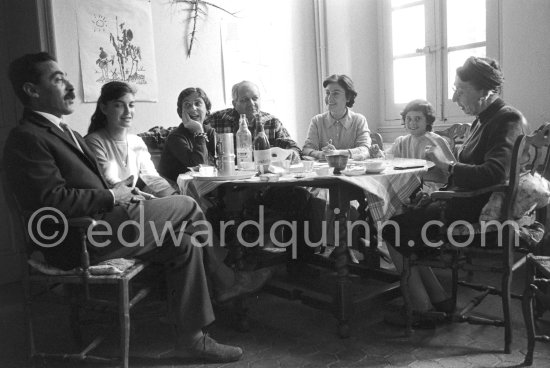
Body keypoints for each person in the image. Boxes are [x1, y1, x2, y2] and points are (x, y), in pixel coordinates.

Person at [4, 52, 272, 363]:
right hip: (84, 237)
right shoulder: (27, 138)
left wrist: (125, 196)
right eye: (57, 79)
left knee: (184, 242)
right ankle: (226, 282)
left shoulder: (65, 133)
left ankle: (192, 339)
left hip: (108, 223)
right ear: (32, 90)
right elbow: (51, 202)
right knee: (186, 204)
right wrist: (112, 196)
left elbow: (113, 185)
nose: (69, 87)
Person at [382, 56, 528, 327]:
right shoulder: (483, 120)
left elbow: (495, 174)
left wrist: (447, 167)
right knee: (403, 223)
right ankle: (438, 299)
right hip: (462, 202)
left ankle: (422, 307)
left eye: (460, 89)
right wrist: (438, 192)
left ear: (484, 89)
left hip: (473, 211)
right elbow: (468, 173)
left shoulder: (506, 118)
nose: (454, 96)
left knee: (392, 228)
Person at [85, 81, 177, 197]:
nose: (128, 111)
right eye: (119, 105)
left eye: (131, 105)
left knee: (186, 203)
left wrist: (174, 196)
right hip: (114, 204)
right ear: (104, 108)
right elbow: (111, 180)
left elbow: (152, 178)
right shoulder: (94, 141)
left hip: (134, 199)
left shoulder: (136, 141)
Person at [204, 80, 301, 163]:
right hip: (229, 180)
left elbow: (293, 147)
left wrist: (292, 153)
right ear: (234, 103)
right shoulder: (217, 120)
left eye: (255, 98)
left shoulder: (271, 122)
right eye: (245, 100)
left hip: (264, 179)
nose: (251, 103)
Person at [388, 99, 455, 191]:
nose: (412, 123)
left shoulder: (437, 141)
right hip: (408, 185)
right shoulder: (401, 141)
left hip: (433, 186)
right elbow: (387, 159)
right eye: (409, 119)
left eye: (418, 118)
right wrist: (376, 152)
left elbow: (453, 170)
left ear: (427, 121)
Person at [302, 74, 372, 160]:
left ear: (348, 97)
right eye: (327, 93)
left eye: (335, 93)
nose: (329, 98)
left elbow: (365, 149)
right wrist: (321, 154)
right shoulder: (317, 121)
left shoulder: (359, 120)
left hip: (353, 171)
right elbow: (306, 150)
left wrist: (338, 153)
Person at [158, 87, 217, 182]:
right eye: (187, 105)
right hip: (175, 189)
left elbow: (220, 163)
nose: (193, 108)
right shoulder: (175, 137)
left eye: (197, 103)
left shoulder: (210, 132)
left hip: (202, 186)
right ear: (180, 112)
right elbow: (199, 167)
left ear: (207, 110)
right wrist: (199, 131)